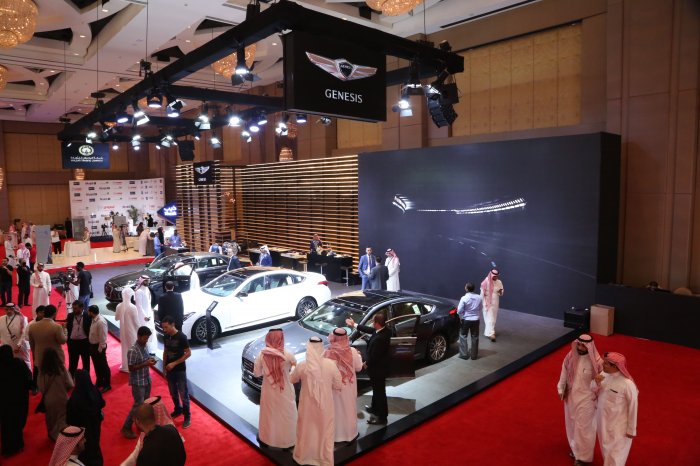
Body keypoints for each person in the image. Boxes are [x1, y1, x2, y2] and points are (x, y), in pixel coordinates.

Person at [290, 337, 342, 466]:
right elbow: (338, 385)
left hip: (306, 406)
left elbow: (292, 379)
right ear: (321, 347)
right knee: (325, 431)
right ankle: (324, 460)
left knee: (305, 430)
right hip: (325, 405)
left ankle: (303, 457)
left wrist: (292, 368)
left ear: (308, 347)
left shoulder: (302, 365)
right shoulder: (331, 364)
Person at [557, 334, 603, 466]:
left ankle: (583, 458)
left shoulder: (597, 362)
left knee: (584, 428)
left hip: (588, 399)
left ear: (589, 346)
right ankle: (575, 449)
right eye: (579, 344)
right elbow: (564, 373)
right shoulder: (570, 356)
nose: (580, 347)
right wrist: (561, 388)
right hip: (571, 396)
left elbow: (601, 383)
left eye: (584, 345)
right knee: (571, 424)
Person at [253, 328, 298, 449]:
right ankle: (288, 443)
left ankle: (267, 439)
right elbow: (295, 367)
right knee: (286, 415)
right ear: (281, 338)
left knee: (269, 415)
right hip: (285, 389)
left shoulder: (262, 355)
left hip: (269, 391)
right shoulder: (288, 354)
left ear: (268, 338)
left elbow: (256, 373)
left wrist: (268, 371)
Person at [594, 352, 639, 466]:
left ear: (615, 366)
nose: (602, 365)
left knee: (616, 455)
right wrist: (597, 382)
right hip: (603, 422)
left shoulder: (627, 384)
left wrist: (631, 429)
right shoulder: (603, 374)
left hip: (618, 427)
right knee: (606, 450)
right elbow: (594, 390)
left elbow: (633, 406)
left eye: (606, 363)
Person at [346, 312, 390, 424]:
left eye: (373, 321)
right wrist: (354, 324)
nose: (372, 323)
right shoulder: (384, 330)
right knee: (376, 390)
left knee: (380, 393)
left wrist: (366, 363)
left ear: (377, 323)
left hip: (378, 370)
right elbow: (369, 330)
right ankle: (375, 408)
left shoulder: (381, 338)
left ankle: (382, 417)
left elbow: (375, 356)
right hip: (377, 368)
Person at [323, 327, 363, 442]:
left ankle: (336, 436)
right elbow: (359, 367)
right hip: (349, 386)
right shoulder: (352, 351)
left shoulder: (327, 352)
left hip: (334, 387)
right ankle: (349, 434)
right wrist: (359, 356)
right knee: (348, 409)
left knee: (335, 409)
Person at [121, 326, 156, 439]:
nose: (146, 340)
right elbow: (131, 368)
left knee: (145, 403)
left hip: (146, 378)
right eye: (145, 338)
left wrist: (151, 360)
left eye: (147, 338)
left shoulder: (145, 346)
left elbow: (146, 358)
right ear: (138, 336)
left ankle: (140, 423)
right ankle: (126, 427)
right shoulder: (132, 350)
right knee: (138, 405)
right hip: (138, 382)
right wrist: (146, 364)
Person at [66, 370, 105, 466]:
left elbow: (69, 418)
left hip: (82, 431)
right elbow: (102, 403)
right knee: (95, 443)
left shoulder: (75, 398)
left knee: (85, 449)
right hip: (95, 425)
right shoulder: (95, 390)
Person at [0, 345, 31, 456]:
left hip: (4, 401)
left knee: (6, 425)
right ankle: (18, 444)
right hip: (19, 398)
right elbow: (28, 378)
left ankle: (8, 447)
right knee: (17, 422)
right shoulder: (19, 363)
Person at [162, 316, 191, 429]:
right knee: (173, 392)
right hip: (169, 370)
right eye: (163, 327)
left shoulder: (181, 337)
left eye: (166, 327)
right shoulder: (166, 336)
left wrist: (174, 363)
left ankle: (187, 416)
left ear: (172, 324)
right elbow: (165, 352)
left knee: (183, 394)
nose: (164, 330)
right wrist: (164, 368)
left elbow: (188, 353)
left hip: (180, 370)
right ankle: (178, 409)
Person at [39, 347, 74, 441]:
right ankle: (63, 435)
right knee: (62, 419)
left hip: (49, 400)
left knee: (51, 418)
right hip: (62, 397)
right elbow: (70, 384)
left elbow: (41, 388)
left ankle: (52, 435)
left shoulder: (42, 372)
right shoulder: (62, 369)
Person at [28, 304, 67, 372]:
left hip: (39, 357)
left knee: (41, 376)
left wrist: (35, 353)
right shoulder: (57, 327)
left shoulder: (32, 326)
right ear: (54, 314)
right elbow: (63, 341)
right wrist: (65, 330)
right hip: (54, 358)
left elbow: (32, 344)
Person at [0, 302, 31, 370]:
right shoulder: (1, 319)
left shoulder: (22, 319)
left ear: (15, 309)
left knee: (24, 362)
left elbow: (24, 333)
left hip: (20, 346)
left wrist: (19, 344)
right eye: (7, 309)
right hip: (6, 347)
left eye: (11, 309)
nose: (8, 311)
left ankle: (28, 375)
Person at [115, 288, 139, 373]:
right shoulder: (133, 307)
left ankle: (125, 365)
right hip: (131, 331)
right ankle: (133, 366)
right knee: (132, 349)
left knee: (124, 348)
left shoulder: (119, 306)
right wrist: (139, 331)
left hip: (123, 331)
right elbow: (136, 323)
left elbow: (116, 318)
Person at [457, 282, 482, 360]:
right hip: (476, 320)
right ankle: (474, 356)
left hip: (466, 320)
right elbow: (480, 308)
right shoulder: (479, 297)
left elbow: (459, 311)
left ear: (466, 289)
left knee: (463, 336)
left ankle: (464, 355)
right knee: (475, 336)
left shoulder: (464, 298)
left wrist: (463, 314)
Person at [66, 300, 92, 378]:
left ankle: (86, 380)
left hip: (84, 343)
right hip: (72, 343)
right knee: (72, 364)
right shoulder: (70, 316)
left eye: (76, 308)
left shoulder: (87, 316)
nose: (74, 310)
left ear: (82, 308)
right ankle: (71, 380)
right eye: (73, 308)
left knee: (86, 363)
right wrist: (68, 341)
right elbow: (68, 328)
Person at [87, 305, 110, 392]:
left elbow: (103, 338)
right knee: (97, 366)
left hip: (98, 348)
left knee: (103, 366)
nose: (87, 313)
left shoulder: (100, 322)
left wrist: (100, 350)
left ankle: (107, 384)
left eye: (88, 311)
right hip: (93, 347)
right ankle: (99, 382)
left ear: (91, 312)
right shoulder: (94, 319)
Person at [480, 268, 504, 342]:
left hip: (495, 302)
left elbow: (501, 291)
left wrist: (501, 292)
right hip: (487, 302)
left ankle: (490, 331)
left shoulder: (499, 282)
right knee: (490, 318)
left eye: (496, 276)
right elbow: (482, 294)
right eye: (494, 276)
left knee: (493, 317)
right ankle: (492, 333)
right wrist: (481, 303)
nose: (495, 277)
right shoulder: (485, 282)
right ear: (491, 275)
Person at [134, 275, 155, 353]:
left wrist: (151, 310)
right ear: (142, 281)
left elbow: (148, 303)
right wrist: (144, 316)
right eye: (146, 280)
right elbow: (139, 306)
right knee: (145, 333)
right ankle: (144, 349)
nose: (148, 282)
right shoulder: (138, 292)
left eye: (148, 280)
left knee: (151, 331)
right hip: (143, 316)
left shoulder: (147, 289)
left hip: (149, 314)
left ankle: (150, 349)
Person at [27, 305, 46, 393]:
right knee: (37, 367)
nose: (43, 314)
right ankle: (35, 386)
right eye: (41, 312)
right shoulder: (31, 324)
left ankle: (45, 384)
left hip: (46, 349)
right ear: (37, 313)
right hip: (36, 349)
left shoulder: (47, 322)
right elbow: (26, 336)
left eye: (44, 312)